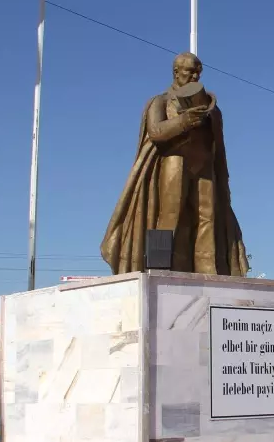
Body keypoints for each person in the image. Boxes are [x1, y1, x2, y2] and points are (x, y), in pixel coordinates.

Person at [100, 52, 249, 276]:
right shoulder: (159, 101)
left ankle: (208, 268)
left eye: (198, 71)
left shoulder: (211, 108)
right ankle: (158, 267)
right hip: (174, 160)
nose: (195, 76)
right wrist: (184, 121)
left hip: (204, 166)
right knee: (169, 214)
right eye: (190, 71)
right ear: (176, 72)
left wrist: (223, 177)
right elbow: (156, 132)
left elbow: (219, 146)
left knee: (207, 216)